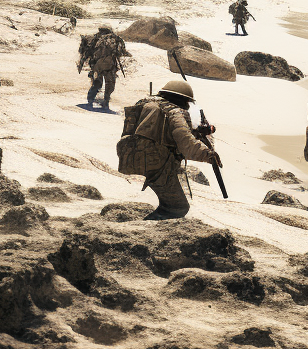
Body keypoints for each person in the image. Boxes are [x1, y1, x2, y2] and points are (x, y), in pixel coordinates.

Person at [118, 80, 221, 220]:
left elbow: (163, 131)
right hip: (157, 162)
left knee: (170, 203)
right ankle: (148, 231)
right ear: (183, 100)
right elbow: (186, 143)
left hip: (131, 154)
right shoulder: (175, 112)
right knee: (177, 207)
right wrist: (208, 154)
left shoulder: (146, 104)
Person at [77, 25, 127, 111]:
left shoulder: (95, 38)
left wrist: (83, 62)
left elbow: (87, 51)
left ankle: (90, 101)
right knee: (109, 85)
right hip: (109, 66)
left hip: (97, 66)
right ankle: (105, 102)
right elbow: (121, 52)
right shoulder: (115, 39)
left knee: (97, 83)